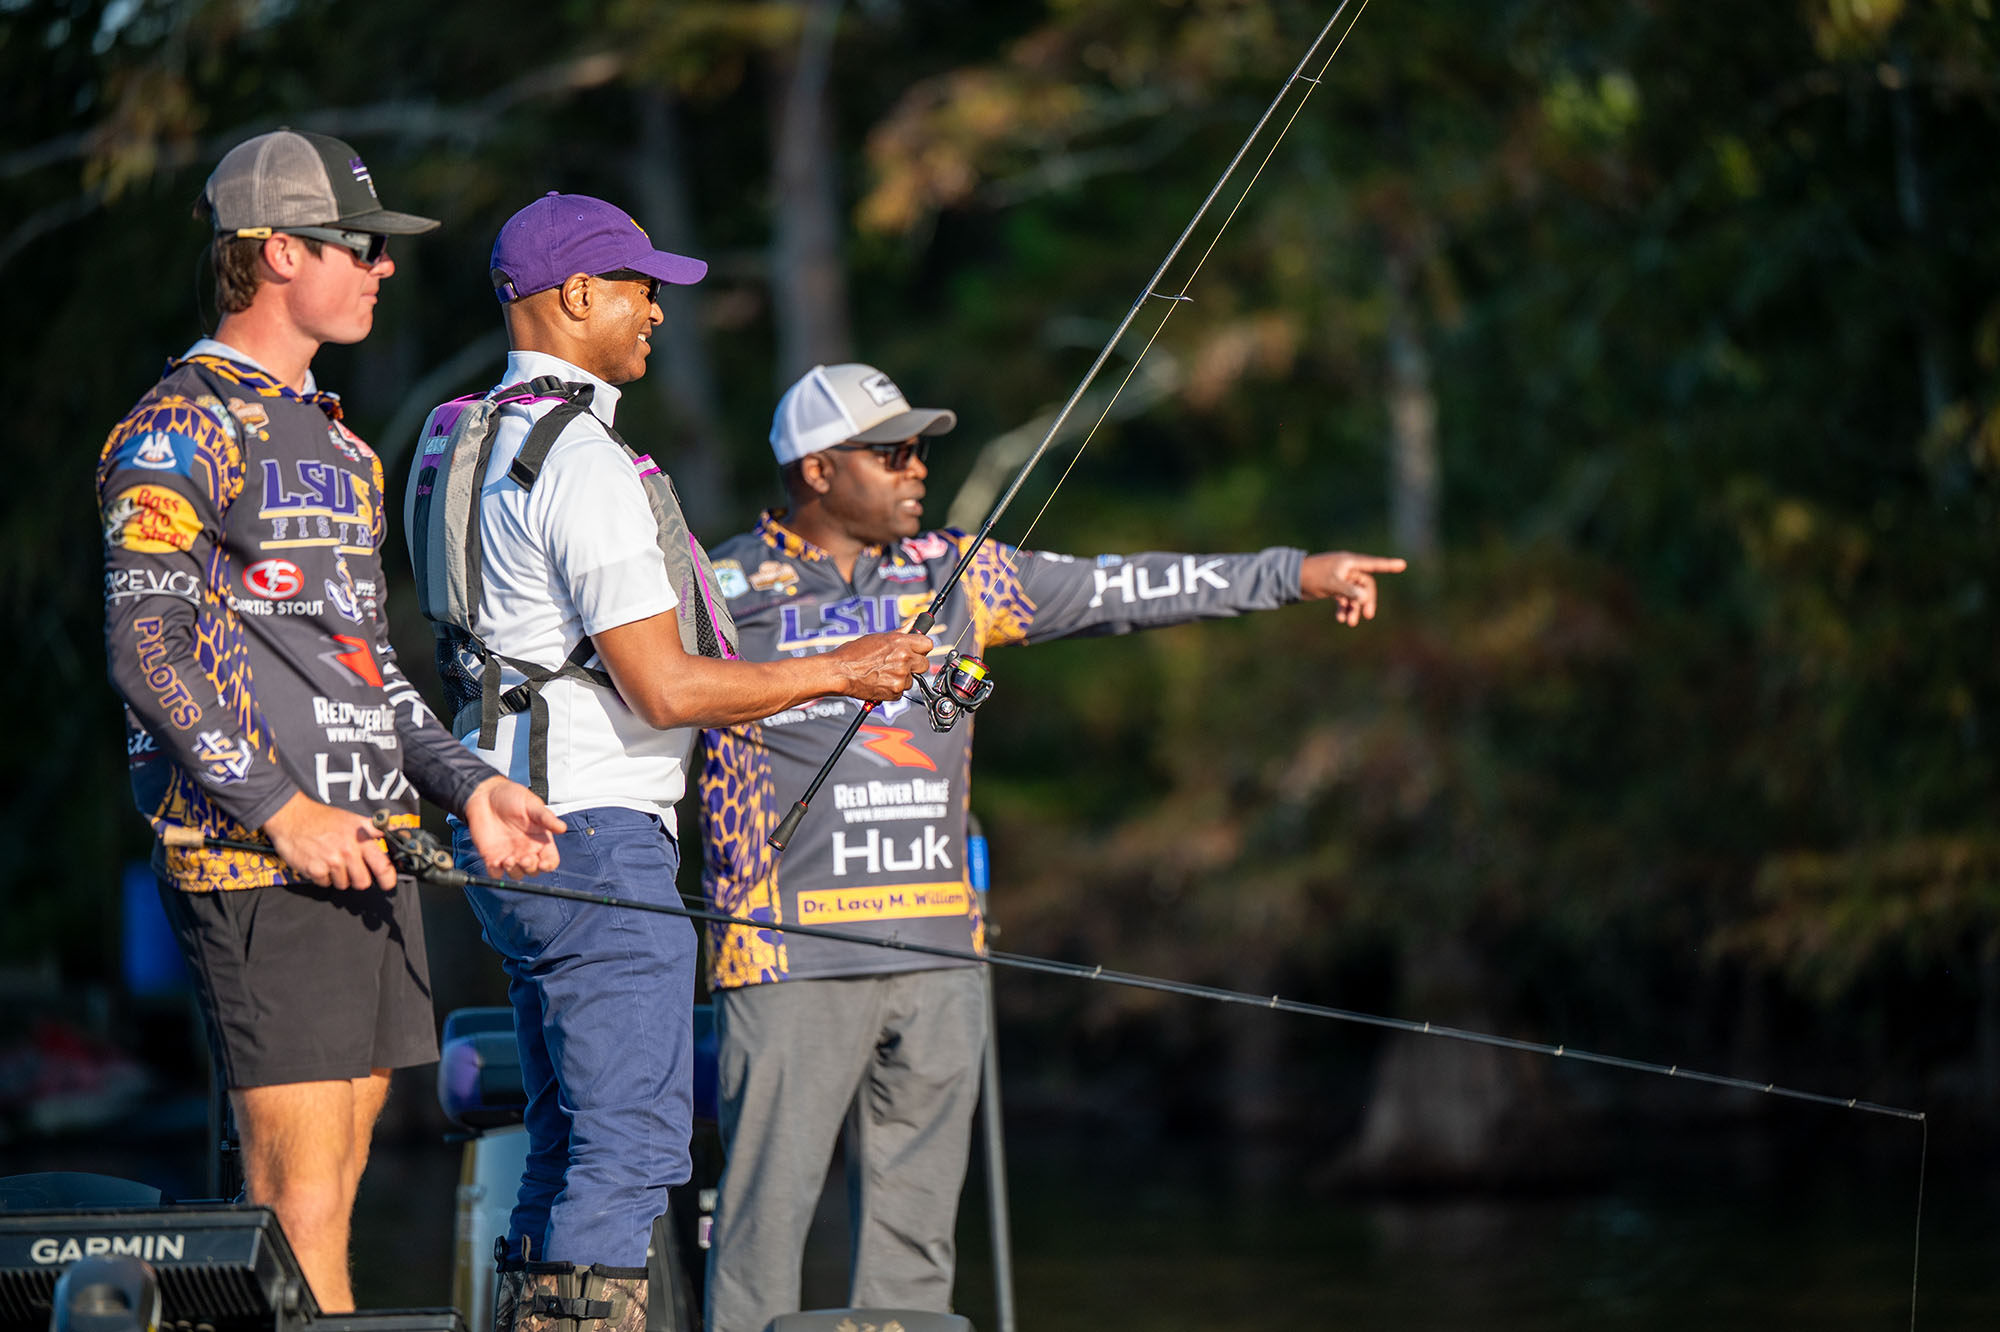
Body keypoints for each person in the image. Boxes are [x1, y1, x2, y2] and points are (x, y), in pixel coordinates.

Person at [698, 362, 1408, 1331]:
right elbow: (635, 700)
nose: (917, 471)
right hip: (785, 953)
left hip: (938, 949)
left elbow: (1124, 589)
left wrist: (1292, 573)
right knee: (759, 1226)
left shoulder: (962, 573)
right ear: (817, 471)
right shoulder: (716, 585)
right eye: (892, 452)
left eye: (922, 453)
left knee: (915, 1241)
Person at [409, 195, 934, 1332]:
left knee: (560, 1145)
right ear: (574, 298)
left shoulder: (459, 437)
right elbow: (666, 687)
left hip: (509, 829)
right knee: (631, 1149)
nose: (656, 307)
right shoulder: (582, 461)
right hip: (593, 835)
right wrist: (844, 670)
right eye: (639, 285)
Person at [98, 130, 566, 1313]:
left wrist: (467, 784)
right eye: (358, 246)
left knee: (336, 1192)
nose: (383, 267)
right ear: (273, 254)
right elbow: (146, 651)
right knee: (296, 1205)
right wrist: (281, 811)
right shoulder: (175, 428)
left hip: (368, 853)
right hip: (260, 861)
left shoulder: (347, 446)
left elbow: (370, 669)